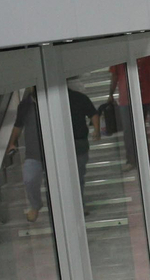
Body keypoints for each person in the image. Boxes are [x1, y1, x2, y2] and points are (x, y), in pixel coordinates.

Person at [9, 83, 101, 221]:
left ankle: (77, 205)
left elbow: (93, 113)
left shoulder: (72, 98)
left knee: (76, 178)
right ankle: (35, 205)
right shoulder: (25, 105)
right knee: (30, 178)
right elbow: (18, 125)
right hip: (35, 151)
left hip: (70, 147)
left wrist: (96, 130)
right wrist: (12, 142)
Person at [109, 54, 150, 169]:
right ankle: (134, 161)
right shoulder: (118, 52)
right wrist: (110, 94)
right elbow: (114, 75)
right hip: (128, 99)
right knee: (130, 131)